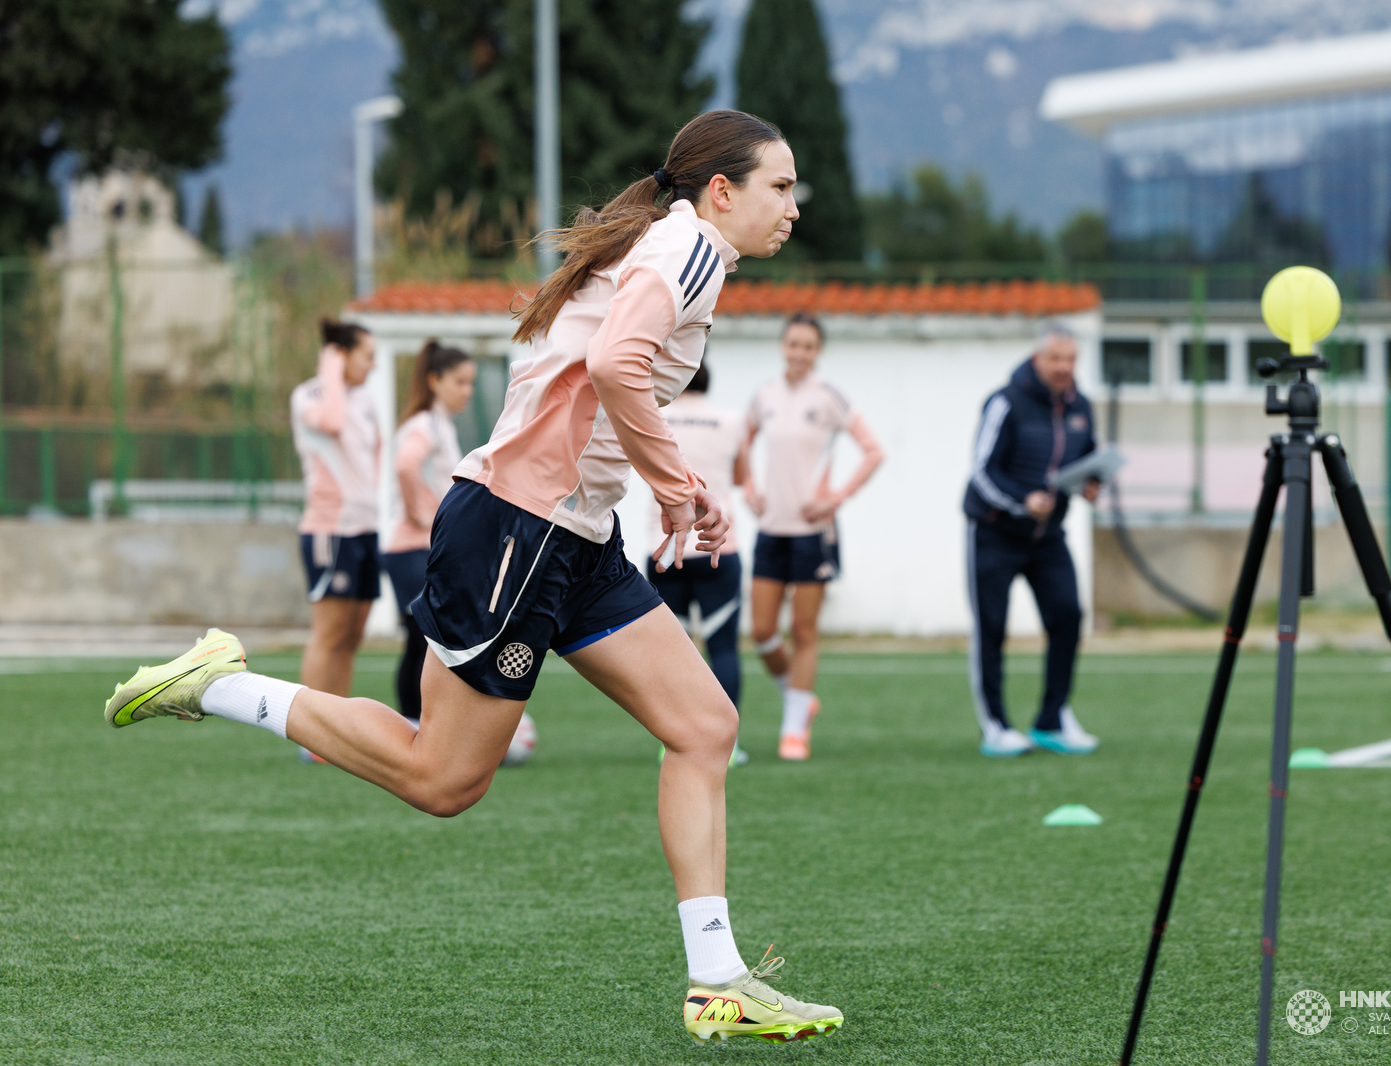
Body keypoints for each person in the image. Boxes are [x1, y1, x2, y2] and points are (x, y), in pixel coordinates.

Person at [100, 109, 842, 1046]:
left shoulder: (675, 250)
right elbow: (615, 365)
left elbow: (588, 382)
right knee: (443, 778)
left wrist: (656, 494)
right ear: (721, 190)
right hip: (515, 534)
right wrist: (682, 486)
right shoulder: (687, 245)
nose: (794, 207)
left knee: (705, 725)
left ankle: (716, 981)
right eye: (780, 187)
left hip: (573, 537)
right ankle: (221, 685)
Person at [743, 312, 883, 762]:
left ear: (817, 351)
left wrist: (836, 498)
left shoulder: (829, 398)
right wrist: (749, 490)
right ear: (783, 346)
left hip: (812, 534)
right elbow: (740, 445)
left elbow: (874, 451)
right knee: (762, 631)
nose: (799, 352)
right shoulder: (764, 396)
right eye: (793, 344)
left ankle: (793, 730)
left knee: (804, 631)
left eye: (808, 346)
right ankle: (798, 697)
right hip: (770, 531)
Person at [962, 323, 1100, 758]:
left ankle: (1052, 719)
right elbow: (982, 470)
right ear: (1038, 359)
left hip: (1049, 537)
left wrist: (1093, 484)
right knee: (992, 629)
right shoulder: (1005, 401)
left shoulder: (1082, 406)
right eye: (1056, 358)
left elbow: (1087, 459)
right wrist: (1024, 501)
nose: (1064, 368)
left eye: (1071, 359)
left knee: (1068, 616)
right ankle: (997, 726)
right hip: (994, 533)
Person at [649, 359, 751, 767]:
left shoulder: (655, 418)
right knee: (723, 647)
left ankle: (671, 741)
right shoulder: (731, 421)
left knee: (668, 652)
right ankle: (727, 745)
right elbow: (742, 476)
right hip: (717, 548)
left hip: (663, 547)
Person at [290, 320, 380, 742]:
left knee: (353, 633)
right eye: (367, 356)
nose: (373, 365)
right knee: (328, 633)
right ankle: (312, 735)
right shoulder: (310, 395)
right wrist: (331, 366)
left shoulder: (363, 400)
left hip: (365, 530)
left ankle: (338, 733)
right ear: (340, 355)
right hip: (330, 532)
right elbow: (330, 421)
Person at [383, 339, 475, 720]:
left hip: (423, 549)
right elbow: (406, 465)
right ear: (434, 381)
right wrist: (421, 513)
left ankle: (425, 722)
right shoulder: (426, 425)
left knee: (431, 639)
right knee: (422, 640)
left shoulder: (440, 425)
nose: (467, 391)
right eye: (459, 382)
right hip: (410, 549)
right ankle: (412, 721)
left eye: (471, 383)